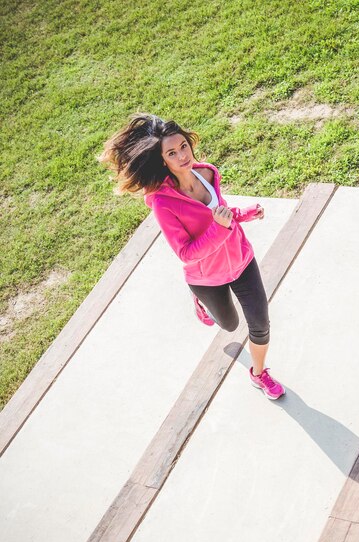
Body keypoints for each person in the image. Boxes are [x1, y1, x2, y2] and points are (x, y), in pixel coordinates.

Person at [97, 113, 285, 400]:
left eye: (183, 146)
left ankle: (259, 374)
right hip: (206, 276)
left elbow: (218, 214)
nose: (183, 156)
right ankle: (199, 300)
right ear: (162, 161)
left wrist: (245, 214)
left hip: (241, 259)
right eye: (172, 153)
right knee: (230, 325)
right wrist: (221, 230)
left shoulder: (207, 173)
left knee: (260, 323)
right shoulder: (162, 202)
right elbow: (186, 253)